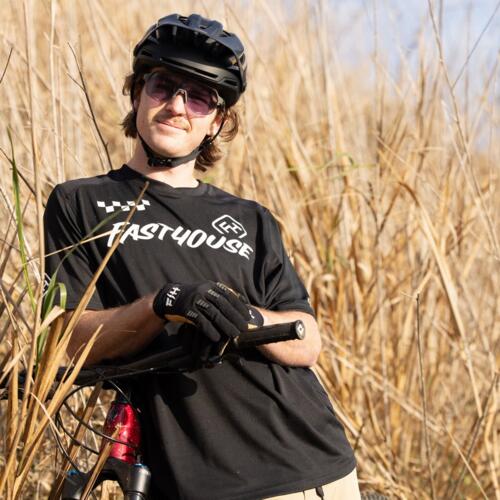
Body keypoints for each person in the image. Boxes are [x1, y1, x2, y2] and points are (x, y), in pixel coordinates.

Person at [44, 13, 360, 500]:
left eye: (198, 97)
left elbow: (307, 338)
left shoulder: (252, 218)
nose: (176, 106)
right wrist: (165, 303)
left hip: (321, 464)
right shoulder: (80, 202)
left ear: (217, 122)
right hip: (208, 482)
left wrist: (242, 315)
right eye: (162, 86)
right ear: (137, 93)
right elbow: (67, 340)